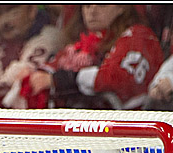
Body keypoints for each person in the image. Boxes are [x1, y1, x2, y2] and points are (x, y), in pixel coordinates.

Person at [23, 4, 164, 109]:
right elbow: (47, 72)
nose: (92, 11)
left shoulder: (139, 36)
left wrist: (67, 79)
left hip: (127, 133)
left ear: (122, 7)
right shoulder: (82, 42)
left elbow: (114, 79)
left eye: (101, 4)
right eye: (87, 5)